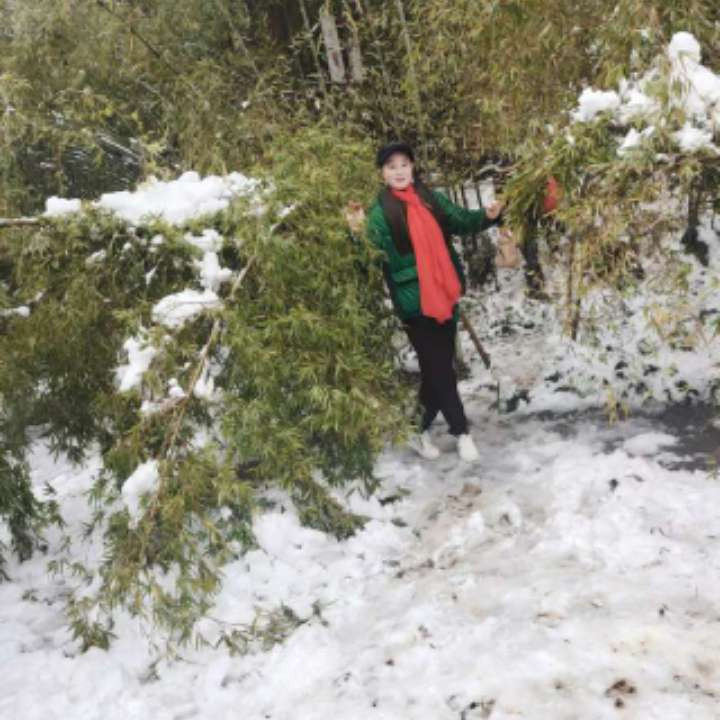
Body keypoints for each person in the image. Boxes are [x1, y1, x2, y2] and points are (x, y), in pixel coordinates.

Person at [365, 142, 503, 462]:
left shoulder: (430, 199)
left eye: (404, 164)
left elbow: (460, 220)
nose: (399, 171)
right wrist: (356, 232)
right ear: (382, 173)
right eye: (391, 166)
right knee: (442, 369)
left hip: (443, 293)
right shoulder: (379, 214)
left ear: (412, 167)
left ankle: (416, 428)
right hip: (414, 303)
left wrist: (487, 216)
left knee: (435, 370)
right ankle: (462, 432)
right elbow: (367, 256)